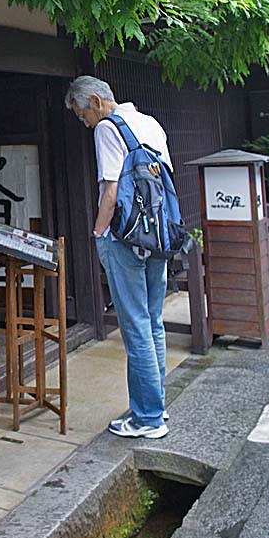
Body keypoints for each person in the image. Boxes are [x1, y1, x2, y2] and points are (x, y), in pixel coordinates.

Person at [64, 75, 172, 439]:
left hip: (125, 238)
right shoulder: (150, 124)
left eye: (82, 115)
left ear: (95, 101)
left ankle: (147, 418)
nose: (85, 122)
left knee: (135, 326)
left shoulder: (108, 129)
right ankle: (157, 405)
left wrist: (99, 234)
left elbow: (111, 190)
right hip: (158, 237)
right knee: (153, 322)